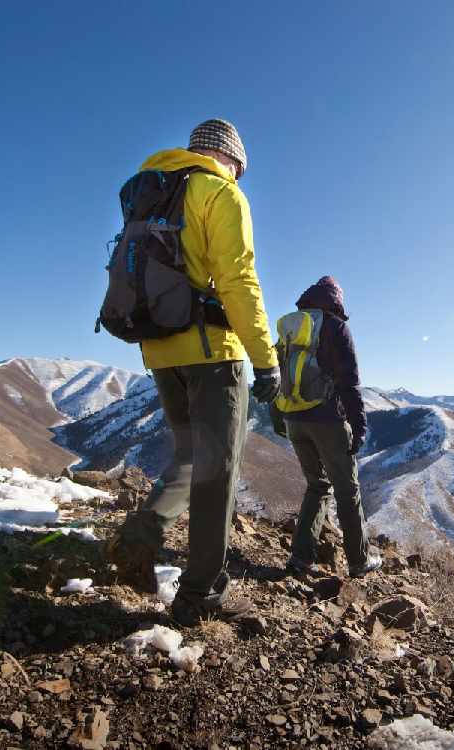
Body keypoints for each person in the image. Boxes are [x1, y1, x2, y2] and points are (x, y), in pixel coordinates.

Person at [106, 119, 280, 626]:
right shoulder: (217, 191)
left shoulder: (150, 189)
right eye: (239, 170)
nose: (239, 178)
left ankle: (140, 535)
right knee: (217, 476)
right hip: (211, 354)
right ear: (230, 159)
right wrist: (264, 358)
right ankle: (199, 594)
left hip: (159, 350)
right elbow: (238, 280)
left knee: (189, 457)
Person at [271, 276, 382, 578]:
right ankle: (359, 561)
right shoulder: (335, 327)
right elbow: (349, 381)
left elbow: (274, 373)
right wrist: (359, 425)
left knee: (317, 485)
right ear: (335, 299)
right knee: (348, 490)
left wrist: (277, 415)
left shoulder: (290, 327)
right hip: (328, 420)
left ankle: (300, 558)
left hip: (294, 418)